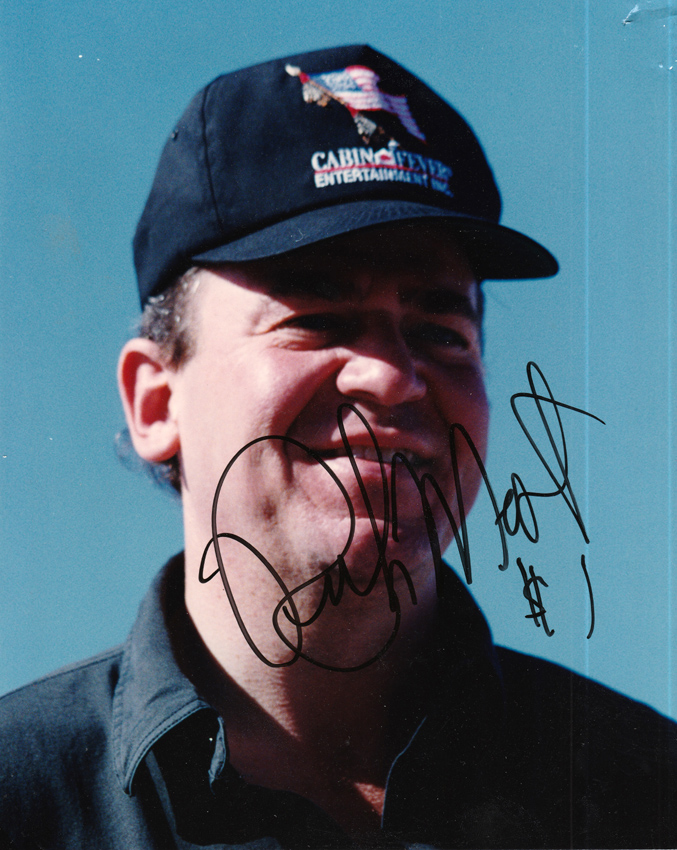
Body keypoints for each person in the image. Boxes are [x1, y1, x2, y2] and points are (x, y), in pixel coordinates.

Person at [1, 44, 676, 850]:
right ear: (155, 401)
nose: (392, 377)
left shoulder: (645, 791)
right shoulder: (24, 799)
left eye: (441, 331)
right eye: (317, 320)